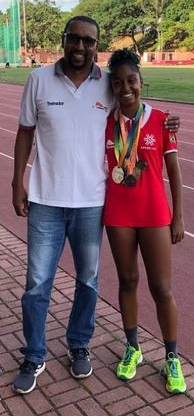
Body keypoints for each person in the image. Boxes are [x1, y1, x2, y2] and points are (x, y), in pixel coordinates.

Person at [11, 15, 179, 395]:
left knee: (88, 282)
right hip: (45, 200)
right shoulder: (37, 80)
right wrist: (16, 180)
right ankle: (34, 354)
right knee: (37, 284)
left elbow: (133, 97)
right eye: (74, 39)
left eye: (89, 42)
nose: (80, 47)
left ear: (96, 46)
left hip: (92, 202)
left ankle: (78, 344)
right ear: (64, 40)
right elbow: (24, 133)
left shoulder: (106, 82)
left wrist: (171, 123)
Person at [103, 49, 186, 394]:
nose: (126, 88)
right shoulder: (104, 121)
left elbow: (174, 172)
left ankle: (171, 357)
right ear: (112, 87)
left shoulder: (161, 120)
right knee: (127, 280)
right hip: (118, 214)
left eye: (132, 80)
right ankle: (133, 347)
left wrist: (178, 216)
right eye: (119, 82)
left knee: (162, 288)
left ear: (141, 82)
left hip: (155, 215)